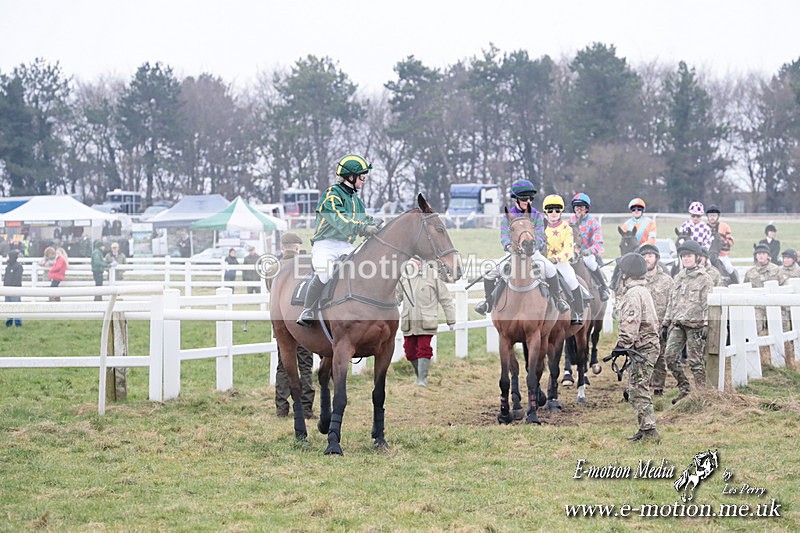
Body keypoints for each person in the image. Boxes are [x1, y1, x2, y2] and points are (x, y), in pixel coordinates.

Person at [297, 153, 380, 327]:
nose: (364, 179)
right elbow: (339, 220)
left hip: (346, 246)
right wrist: (362, 227)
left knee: (364, 270)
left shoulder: (356, 201)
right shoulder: (331, 195)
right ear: (351, 176)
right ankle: (308, 309)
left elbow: (362, 219)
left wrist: (374, 224)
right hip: (325, 244)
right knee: (325, 273)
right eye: (362, 176)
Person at [474, 179, 569, 316]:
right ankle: (487, 302)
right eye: (524, 198)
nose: (528, 201)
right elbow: (504, 234)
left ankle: (559, 300)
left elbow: (541, 234)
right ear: (516, 199)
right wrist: (508, 246)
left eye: (530, 198)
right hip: (514, 254)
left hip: (533, 253)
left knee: (550, 269)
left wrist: (537, 245)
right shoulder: (508, 216)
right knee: (490, 272)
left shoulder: (536, 215)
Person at [612, 253, 660, 441]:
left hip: (643, 348)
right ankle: (644, 428)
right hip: (645, 346)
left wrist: (622, 344)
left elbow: (630, 323)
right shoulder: (642, 290)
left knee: (638, 389)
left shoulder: (633, 294)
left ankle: (649, 430)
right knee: (636, 386)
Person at [269, 232, 316, 418]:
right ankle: (306, 407)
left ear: (282, 248)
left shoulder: (273, 268)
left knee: (283, 364)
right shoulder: (304, 265)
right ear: (298, 247)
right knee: (305, 363)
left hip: (280, 320)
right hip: (301, 320)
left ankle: (282, 406)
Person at [663, 240, 714, 402]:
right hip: (678, 324)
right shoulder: (679, 277)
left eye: (689, 256)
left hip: (696, 326)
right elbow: (672, 301)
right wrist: (666, 322)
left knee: (695, 362)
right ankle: (684, 388)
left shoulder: (704, 278)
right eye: (683, 256)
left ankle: (701, 394)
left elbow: (707, 303)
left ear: (697, 257)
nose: (686, 259)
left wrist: (706, 323)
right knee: (669, 357)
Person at [396, 257, 456, 387]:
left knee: (424, 348)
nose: (417, 263)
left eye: (420, 260)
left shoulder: (434, 276)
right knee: (409, 350)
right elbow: (397, 295)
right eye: (415, 259)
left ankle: (423, 379)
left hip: (426, 320)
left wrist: (450, 319)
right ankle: (418, 375)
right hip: (409, 320)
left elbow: (446, 299)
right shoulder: (405, 274)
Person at [637, 243, 674, 397]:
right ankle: (639, 387)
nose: (647, 259)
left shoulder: (667, 280)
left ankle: (658, 387)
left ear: (657, 258)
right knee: (638, 357)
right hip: (641, 326)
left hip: (660, 326)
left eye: (650, 256)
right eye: (644, 256)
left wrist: (666, 324)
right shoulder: (636, 279)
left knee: (660, 358)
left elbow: (672, 302)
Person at [543, 194, 584, 324]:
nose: (553, 213)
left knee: (572, 280)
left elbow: (568, 250)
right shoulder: (540, 227)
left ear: (561, 211)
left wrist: (556, 259)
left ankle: (578, 312)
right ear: (546, 211)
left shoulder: (566, 227)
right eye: (550, 210)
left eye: (557, 209)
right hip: (543, 262)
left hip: (561, 263)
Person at [568, 192, 610, 301]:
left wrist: (589, 251)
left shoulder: (593, 223)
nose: (578, 209)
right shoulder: (569, 222)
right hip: (570, 254)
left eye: (581, 206)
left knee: (590, 263)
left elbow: (598, 243)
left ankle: (603, 288)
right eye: (576, 207)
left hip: (587, 254)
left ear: (586, 208)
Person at [744, 243, 787, 336]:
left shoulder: (776, 270)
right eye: (758, 253)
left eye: (763, 253)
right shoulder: (750, 272)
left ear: (768, 255)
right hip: (757, 307)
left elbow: (784, 287)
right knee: (756, 330)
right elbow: (745, 290)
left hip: (774, 304)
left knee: (780, 331)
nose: (761, 255)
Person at [705, 204, 736, 277]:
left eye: (714, 215)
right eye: (710, 215)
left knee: (729, 268)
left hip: (722, 255)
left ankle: (735, 283)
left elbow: (731, 241)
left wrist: (723, 243)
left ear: (718, 216)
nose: (712, 217)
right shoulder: (704, 227)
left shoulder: (724, 226)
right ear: (707, 216)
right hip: (708, 256)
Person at [3, 251, 24, 327]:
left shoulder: (18, 267)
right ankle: (9, 322)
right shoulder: (7, 267)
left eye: (8, 256)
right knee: (8, 306)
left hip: (15, 290)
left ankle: (18, 322)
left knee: (16, 306)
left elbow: (17, 279)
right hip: (7, 290)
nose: (7, 258)